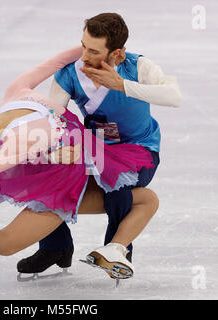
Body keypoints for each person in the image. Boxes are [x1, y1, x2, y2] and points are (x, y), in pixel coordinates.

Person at [0, 45, 159, 280]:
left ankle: (109, 249)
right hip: (63, 189)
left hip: (89, 161)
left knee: (146, 199)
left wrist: (95, 51)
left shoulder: (14, 94)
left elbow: (54, 63)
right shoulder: (11, 147)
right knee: (7, 243)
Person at [17, 13, 181, 275]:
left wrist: (123, 85)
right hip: (95, 148)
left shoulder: (137, 67)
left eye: (93, 51)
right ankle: (55, 246)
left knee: (117, 188)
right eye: (83, 45)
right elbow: (53, 118)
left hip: (140, 150)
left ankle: (116, 251)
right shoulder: (70, 74)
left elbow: (174, 96)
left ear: (117, 53)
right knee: (45, 173)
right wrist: (59, 148)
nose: (83, 56)